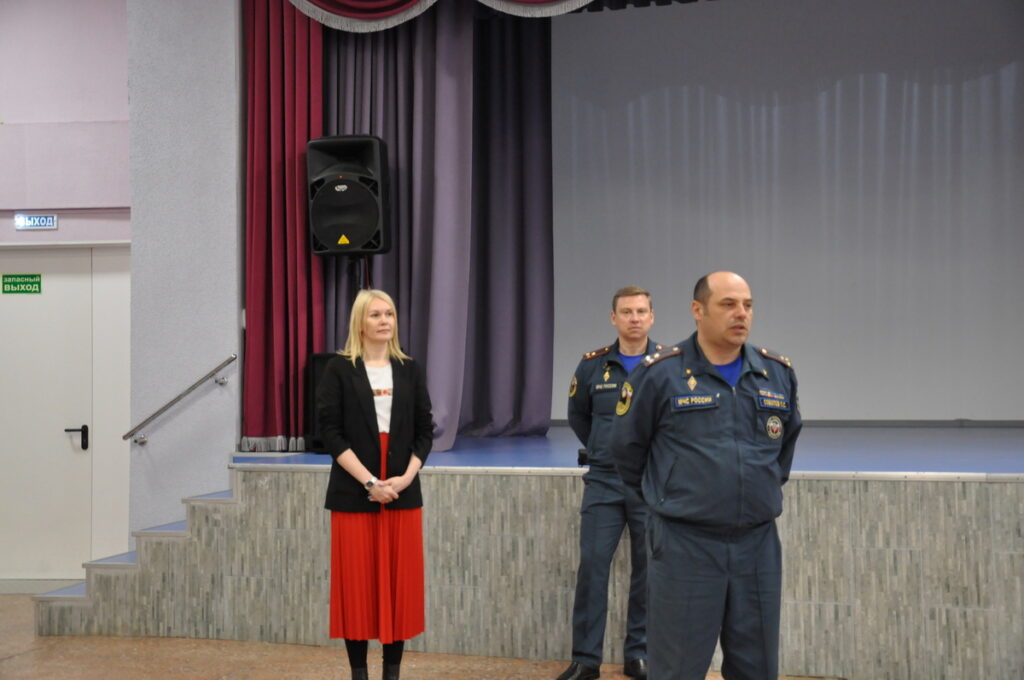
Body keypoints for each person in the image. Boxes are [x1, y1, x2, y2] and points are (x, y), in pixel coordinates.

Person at [611, 272, 802, 680]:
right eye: (728, 304)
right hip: (685, 544)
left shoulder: (775, 373)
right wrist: (669, 497)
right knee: (677, 668)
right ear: (698, 310)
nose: (741, 313)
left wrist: (753, 493)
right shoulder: (659, 373)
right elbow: (627, 450)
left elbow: (782, 451)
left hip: (757, 544)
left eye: (747, 305)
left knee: (758, 668)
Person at [316, 289, 433, 680]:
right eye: (375, 315)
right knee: (357, 588)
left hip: (401, 490)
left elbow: (425, 430)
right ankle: (359, 673)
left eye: (389, 314)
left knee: (398, 588)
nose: (385, 321)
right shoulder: (339, 369)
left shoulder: (410, 369)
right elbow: (330, 433)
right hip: (355, 490)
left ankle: (392, 674)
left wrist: (406, 478)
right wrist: (369, 481)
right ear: (360, 323)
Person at [556, 286, 660, 680]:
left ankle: (639, 655)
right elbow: (578, 416)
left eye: (641, 311)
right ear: (614, 318)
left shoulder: (668, 365)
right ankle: (586, 660)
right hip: (604, 480)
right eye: (627, 312)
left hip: (650, 482)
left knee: (648, 569)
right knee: (593, 567)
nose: (634, 318)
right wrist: (605, 449)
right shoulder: (592, 366)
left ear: (652, 317)